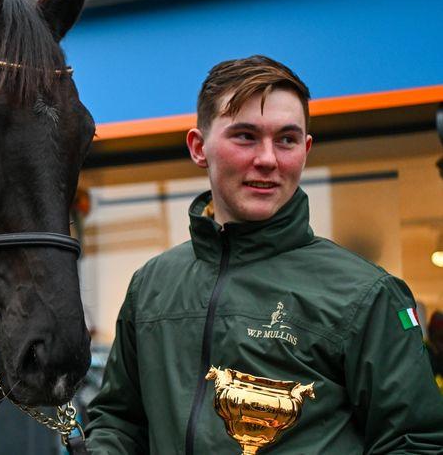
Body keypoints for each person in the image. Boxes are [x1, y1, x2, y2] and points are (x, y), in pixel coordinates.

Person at [86, 56, 443, 453]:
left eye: (286, 139)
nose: (268, 159)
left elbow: (416, 442)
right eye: (245, 136)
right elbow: (118, 422)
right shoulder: (151, 285)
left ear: (306, 150)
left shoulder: (368, 294)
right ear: (199, 147)